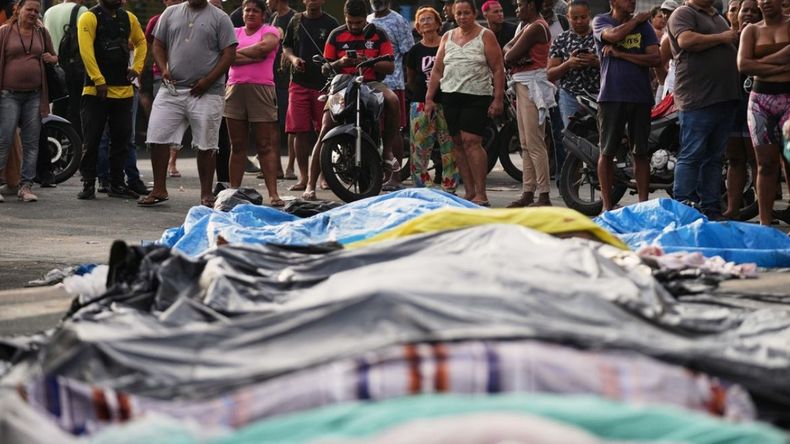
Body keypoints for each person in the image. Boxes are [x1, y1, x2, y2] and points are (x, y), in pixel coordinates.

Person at [141, 0, 237, 207]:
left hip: (208, 92)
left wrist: (208, 80)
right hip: (172, 89)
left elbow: (229, 53)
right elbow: (157, 44)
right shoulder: (170, 13)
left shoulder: (220, 18)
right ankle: (159, 189)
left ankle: (206, 194)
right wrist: (163, 67)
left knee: (206, 143)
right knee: (157, 136)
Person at [302, 0, 397, 199]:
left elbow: (390, 67)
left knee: (394, 100)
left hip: (370, 83)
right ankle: (310, 186)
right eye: (350, 22)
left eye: (359, 22)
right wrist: (340, 62)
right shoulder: (336, 34)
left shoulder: (379, 34)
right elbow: (325, 68)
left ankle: (387, 152)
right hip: (341, 84)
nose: (354, 26)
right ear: (345, 18)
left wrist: (367, 62)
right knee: (325, 128)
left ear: (366, 18)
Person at [425, 0, 504, 206]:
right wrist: (429, 97)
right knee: (458, 143)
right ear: (453, 14)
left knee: (472, 141)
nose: (462, 17)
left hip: (477, 96)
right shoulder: (447, 36)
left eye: (466, 13)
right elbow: (437, 70)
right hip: (450, 96)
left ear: (475, 13)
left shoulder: (486, 35)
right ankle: (469, 192)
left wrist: (498, 98)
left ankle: (481, 193)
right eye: (458, 13)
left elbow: (497, 68)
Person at [667, 0, 740, 220]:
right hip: (698, 100)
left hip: (724, 99)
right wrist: (723, 37)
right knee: (692, 155)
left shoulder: (717, 17)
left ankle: (711, 209)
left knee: (714, 158)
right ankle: (684, 209)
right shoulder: (683, 13)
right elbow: (686, 40)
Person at [592, 0, 661, 212]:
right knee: (607, 151)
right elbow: (612, 36)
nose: (632, 1)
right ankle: (606, 205)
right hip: (612, 96)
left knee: (640, 152)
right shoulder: (601, 21)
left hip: (640, 97)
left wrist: (622, 55)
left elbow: (655, 57)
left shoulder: (645, 27)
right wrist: (637, 20)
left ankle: (642, 205)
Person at [75, 0, 146, 200]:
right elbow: (86, 51)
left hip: (123, 91)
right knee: (92, 139)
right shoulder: (89, 17)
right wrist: (98, 80)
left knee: (121, 140)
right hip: (95, 91)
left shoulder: (128, 18)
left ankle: (117, 184)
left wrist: (137, 68)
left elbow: (141, 41)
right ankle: (89, 182)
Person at [737, 0, 790, 225]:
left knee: (789, 159)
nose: (766, 2)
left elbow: (752, 64)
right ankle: (765, 224)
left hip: (788, 98)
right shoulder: (751, 30)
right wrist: (780, 66)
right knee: (765, 164)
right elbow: (743, 65)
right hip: (760, 101)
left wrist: (760, 63)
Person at [225, 0, 283, 206]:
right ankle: (233, 193)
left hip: (262, 90)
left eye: (255, 10)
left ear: (263, 14)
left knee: (265, 145)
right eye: (246, 10)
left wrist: (236, 55)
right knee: (237, 145)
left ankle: (274, 194)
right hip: (234, 89)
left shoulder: (271, 31)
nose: (250, 13)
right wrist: (252, 55)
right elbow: (226, 58)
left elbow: (264, 49)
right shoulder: (234, 32)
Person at [0, 0, 57, 203]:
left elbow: (53, 55)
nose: (33, 13)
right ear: (18, 10)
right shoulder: (4, 31)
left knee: (31, 143)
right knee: (4, 139)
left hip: (34, 95)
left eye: (36, 10)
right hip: (8, 95)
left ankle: (26, 187)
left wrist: (52, 58)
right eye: (29, 9)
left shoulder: (41, 32)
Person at [281, 0, 338, 192]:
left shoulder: (331, 23)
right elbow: (286, 47)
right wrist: (294, 59)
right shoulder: (296, 21)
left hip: (323, 85)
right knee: (300, 131)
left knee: (325, 132)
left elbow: (337, 52)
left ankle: (324, 176)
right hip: (299, 83)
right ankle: (304, 178)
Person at [504, 0, 556, 207]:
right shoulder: (528, 26)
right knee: (525, 143)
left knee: (534, 143)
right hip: (524, 84)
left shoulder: (536, 27)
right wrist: (516, 56)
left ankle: (543, 195)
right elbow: (507, 49)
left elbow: (509, 54)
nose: (517, 9)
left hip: (531, 85)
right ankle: (528, 191)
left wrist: (517, 56)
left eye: (519, 4)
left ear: (531, 5)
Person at [406, 6, 458, 192]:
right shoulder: (414, 51)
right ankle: (423, 188)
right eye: (422, 20)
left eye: (430, 19)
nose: (426, 22)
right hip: (420, 103)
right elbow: (411, 79)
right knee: (419, 148)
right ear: (418, 27)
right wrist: (423, 94)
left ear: (438, 23)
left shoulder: (447, 46)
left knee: (449, 146)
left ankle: (449, 185)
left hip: (446, 102)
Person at [368, 0, 412, 191]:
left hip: (393, 83)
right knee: (375, 130)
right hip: (369, 83)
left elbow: (409, 52)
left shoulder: (398, 20)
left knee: (394, 131)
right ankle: (380, 174)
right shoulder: (367, 19)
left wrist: (409, 81)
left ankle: (396, 175)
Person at [724, 0, 761, 219]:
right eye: (742, 10)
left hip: (756, 105)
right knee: (734, 159)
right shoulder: (726, 39)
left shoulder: (763, 37)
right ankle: (732, 209)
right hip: (731, 106)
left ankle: (762, 208)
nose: (746, 14)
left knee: (757, 160)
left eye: (752, 11)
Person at [144, 0, 185, 178]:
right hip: (161, 74)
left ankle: (172, 160)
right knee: (164, 118)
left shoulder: (188, 19)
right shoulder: (156, 20)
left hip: (184, 74)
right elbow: (148, 45)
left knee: (181, 119)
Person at [548, 0, 600, 128]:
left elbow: (614, 68)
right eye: (575, 18)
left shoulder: (600, 38)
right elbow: (550, 74)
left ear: (589, 15)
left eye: (583, 17)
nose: (579, 21)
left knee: (600, 135)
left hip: (599, 95)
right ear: (568, 17)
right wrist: (568, 64)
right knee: (572, 136)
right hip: (570, 96)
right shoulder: (561, 40)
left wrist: (596, 62)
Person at [43, 0, 86, 140]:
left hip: (53, 71)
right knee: (76, 112)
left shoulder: (48, 12)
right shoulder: (81, 11)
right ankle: (75, 150)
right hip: (74, 70)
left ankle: (56, 145)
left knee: (57, 111)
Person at [268, 0, 297, 180]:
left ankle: (290, 167)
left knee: (291, 126)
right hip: (273, 77)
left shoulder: (294, 18)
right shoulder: (273, 18)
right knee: (273, 124)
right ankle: (276, 167)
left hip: (288, 78)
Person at [653, 0, 679, 101]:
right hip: (673, 86)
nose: (666, 16)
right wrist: (663, 80)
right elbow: (658, 64)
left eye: (670, 12)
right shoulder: (667, 37)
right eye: (664, 13)